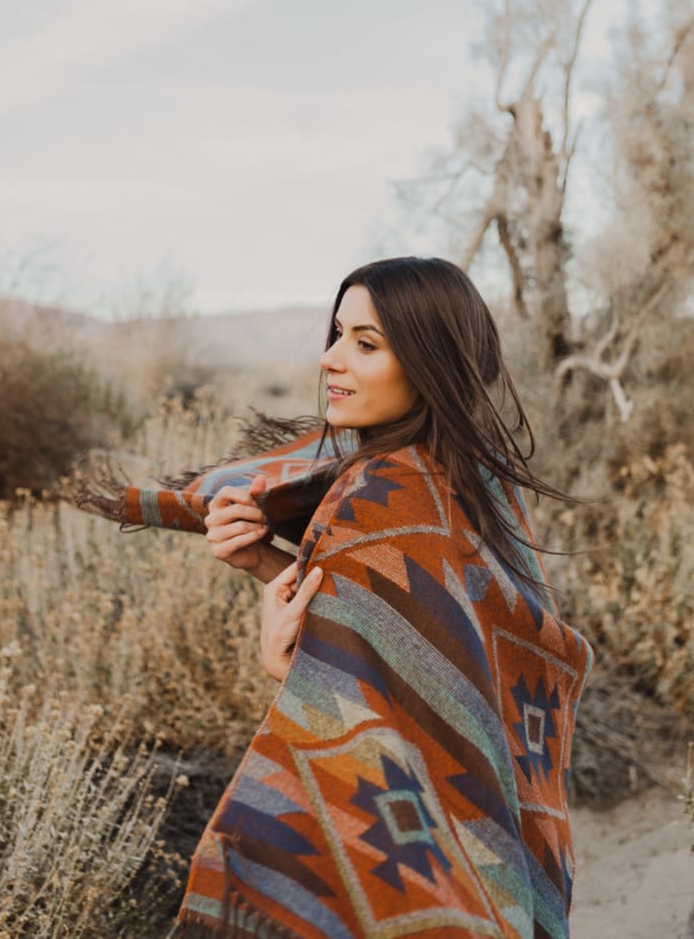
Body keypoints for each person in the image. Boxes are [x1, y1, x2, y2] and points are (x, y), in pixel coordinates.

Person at [76, 256, 592, 938]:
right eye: (338, 333)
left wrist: (281, 655)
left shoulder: (380, 495)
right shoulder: (469, 481)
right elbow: (413, 647)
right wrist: (266, 563)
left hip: (404, 853)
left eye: (365, 344)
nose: (330, 359)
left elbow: (353, 697)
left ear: (430, 362)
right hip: (476, 843)